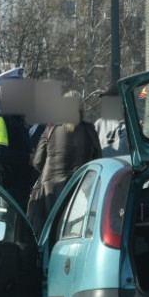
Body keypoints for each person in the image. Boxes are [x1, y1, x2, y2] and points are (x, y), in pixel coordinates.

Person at [27, 94, 103, 224]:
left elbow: (38, 162)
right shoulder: (89, 130)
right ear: (82, 109)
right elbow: (98, 160)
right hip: (81, 187)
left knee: (50, 229)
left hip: (51, 191)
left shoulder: (51, 129)